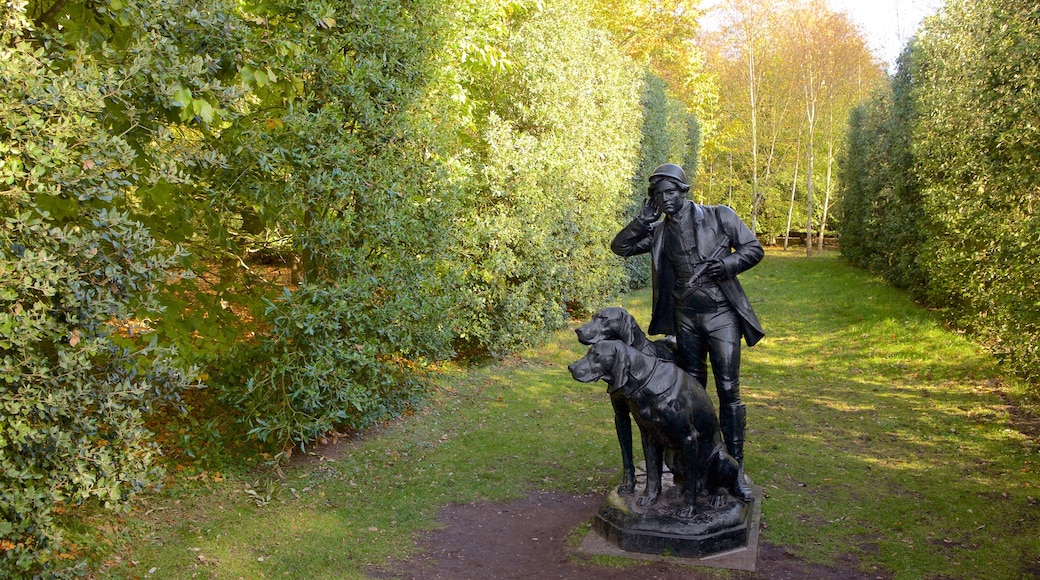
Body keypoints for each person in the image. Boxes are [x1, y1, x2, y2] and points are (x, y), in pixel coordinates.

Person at [611, 163, 764, 500]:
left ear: (684, 190)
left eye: (670, 192)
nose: (665, 199)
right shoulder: (659, 232)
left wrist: (725, 265)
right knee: (692, 389)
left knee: (727, 388)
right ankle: (691, 464)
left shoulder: (719, 216)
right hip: (685, 318)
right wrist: (642, 221)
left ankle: (735, 469)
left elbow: (754, 249)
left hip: (722, 314)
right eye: (658, 194)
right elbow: (619, 247)